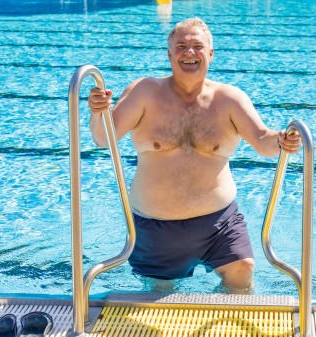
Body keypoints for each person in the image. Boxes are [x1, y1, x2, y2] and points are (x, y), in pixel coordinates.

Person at [88, 17, 302, 292]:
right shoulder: (145, 92)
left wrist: (283, 141)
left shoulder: (229, 99)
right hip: (156, 227)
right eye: (181, 46)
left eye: (197, 46)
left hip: (219, 223)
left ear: (210, 54)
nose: (189, 52)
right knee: (158, 300)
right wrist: (98, 113)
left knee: (242, 270)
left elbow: (263, 141)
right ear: (169, 54)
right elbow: (103, 137)